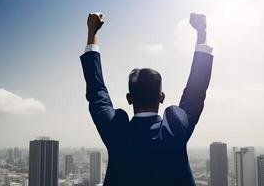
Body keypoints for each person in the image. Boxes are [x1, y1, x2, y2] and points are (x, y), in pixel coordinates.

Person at [80, 12, 213, 186]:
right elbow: (196, 91)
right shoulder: (175, 129)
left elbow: (97, 94)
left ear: (129, 99)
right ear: (162, 97)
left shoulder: (117, 133)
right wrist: (201, 32)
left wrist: (92, 33)